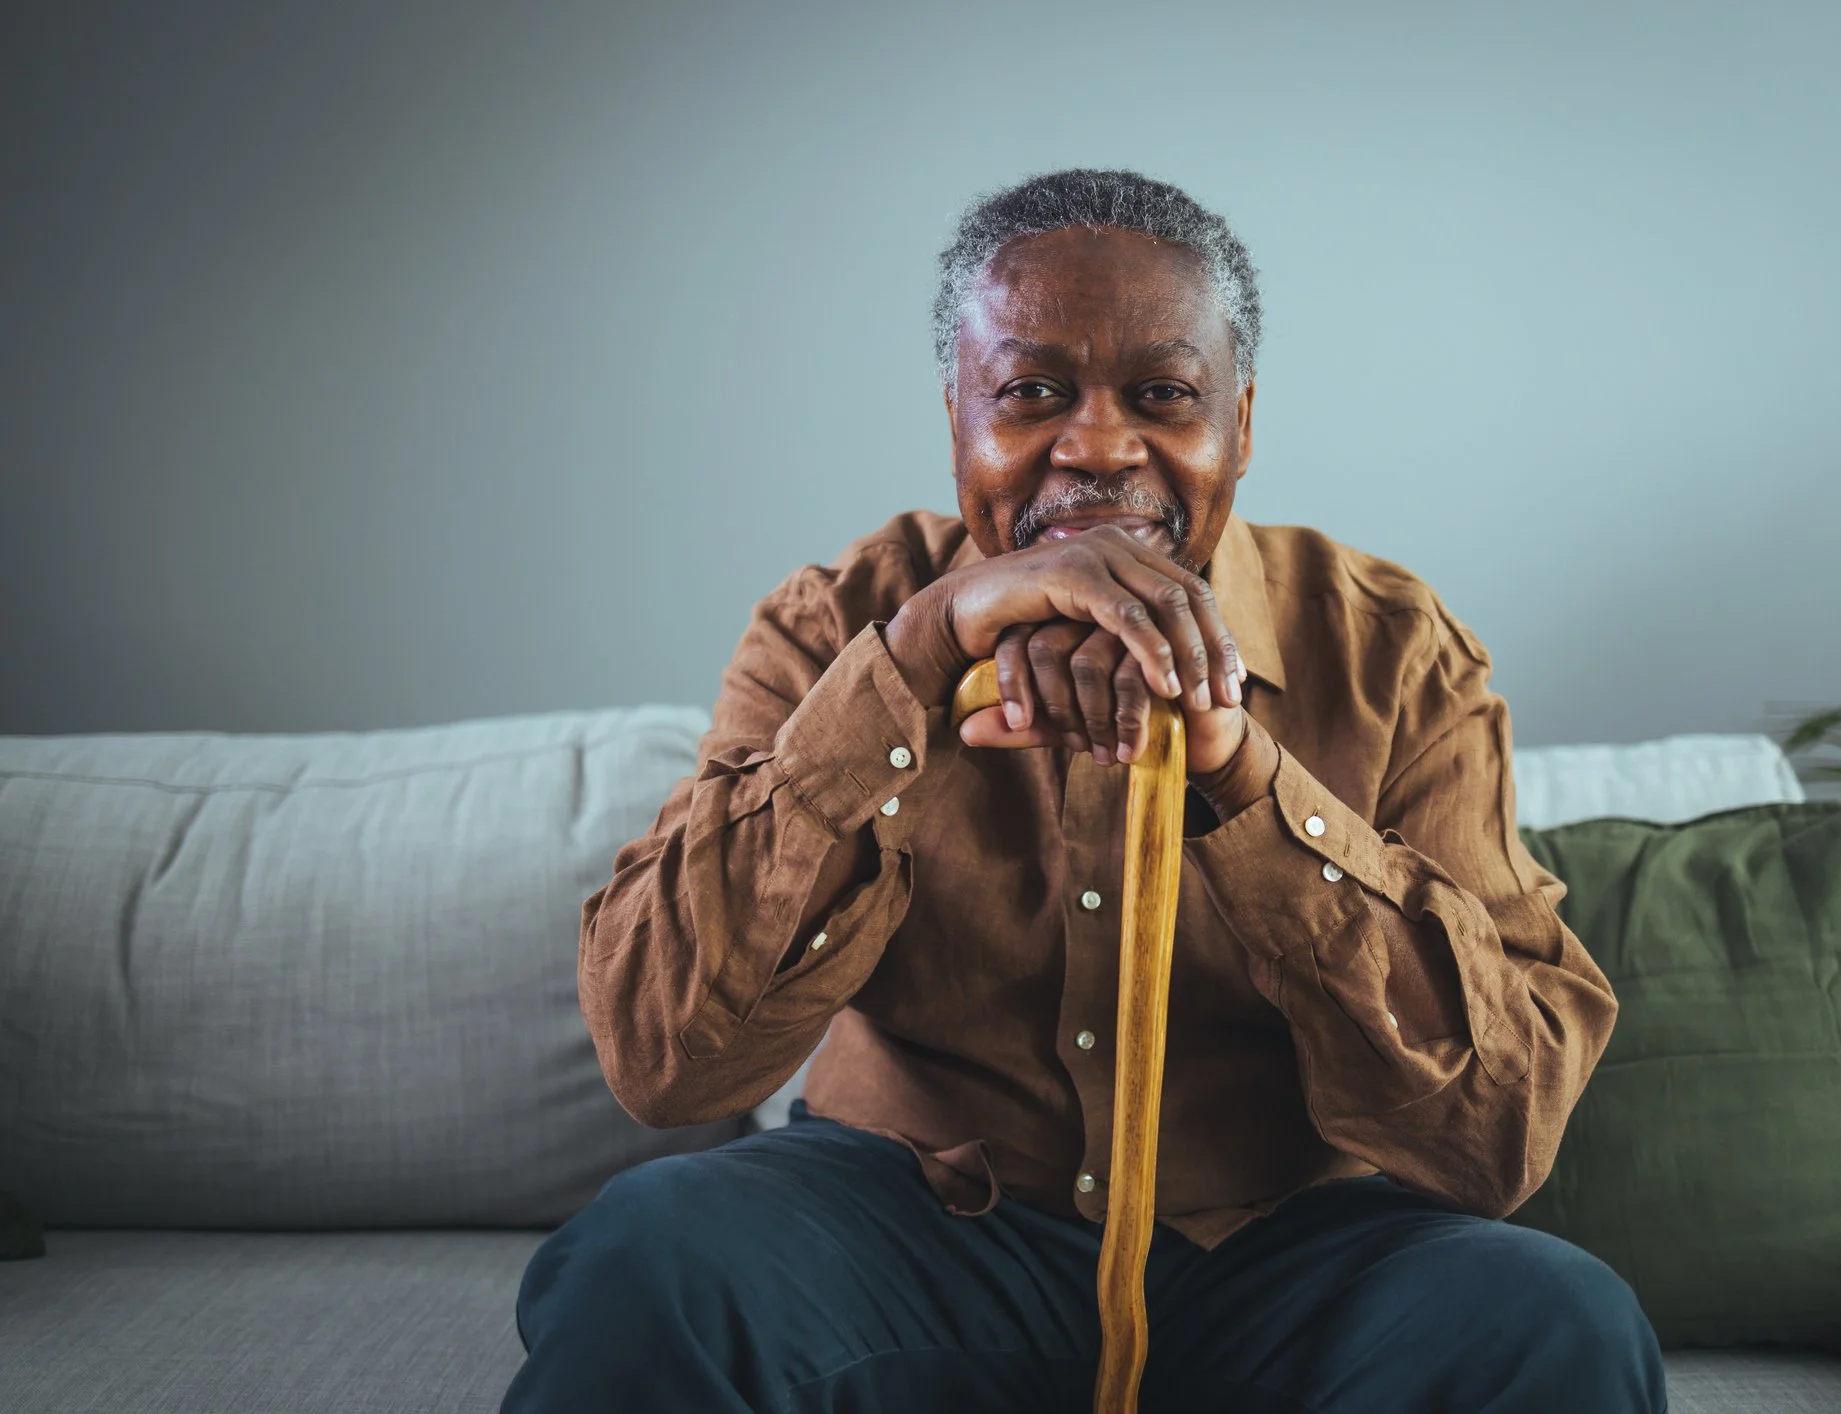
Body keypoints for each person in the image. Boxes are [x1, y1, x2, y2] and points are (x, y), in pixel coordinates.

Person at [503, 169, 1665, 1414]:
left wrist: (1243, 774)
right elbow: (662, 1061)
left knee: (1554, 1318)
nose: (1099, 447)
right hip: (909, 1234)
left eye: (1163, 395)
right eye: (1031, 394)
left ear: (1242, 423)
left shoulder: (1392, 649)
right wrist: (912, 661)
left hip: (1285, 1256)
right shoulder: (832, 626)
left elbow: (1496, 1137)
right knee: (651, 1254)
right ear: (957, 413)